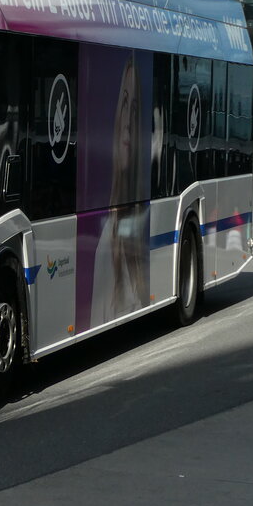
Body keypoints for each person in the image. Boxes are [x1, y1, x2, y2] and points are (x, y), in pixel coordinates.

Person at [91, 54, 148, 324]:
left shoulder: (143, 216)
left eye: (135, 110)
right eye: (124, 105)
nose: (128, 121)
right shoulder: (106, 244)